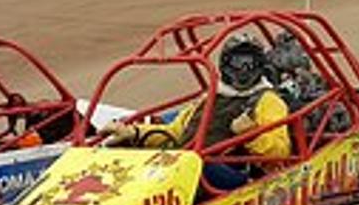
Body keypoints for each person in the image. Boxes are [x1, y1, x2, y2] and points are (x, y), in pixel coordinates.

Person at [105, 36, 291, 191]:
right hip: (188, 163)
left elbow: (280, 151)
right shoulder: (211, 96)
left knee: (193, 163)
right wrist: (134, 133)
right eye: (238, 62)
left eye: (250, 63)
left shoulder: (268, 101)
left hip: (229, 175)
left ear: (260, 66)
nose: (244, 70)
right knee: (124, 152)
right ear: (225, 65)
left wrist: (251, 135)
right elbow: (177, 132)